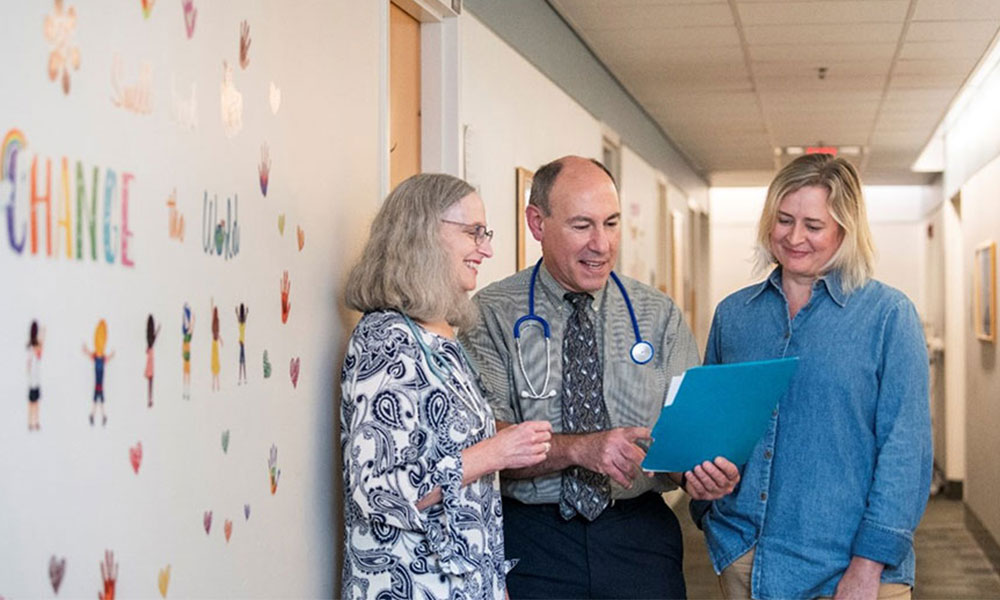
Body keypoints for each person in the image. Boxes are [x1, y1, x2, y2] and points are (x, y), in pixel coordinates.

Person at [461, 156, 740, 599]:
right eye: (581, 226)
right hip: (532, 540)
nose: (601, 244)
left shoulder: (657, 314)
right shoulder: (490, 314)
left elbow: (686, 433)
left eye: (610, 224)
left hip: (639, 537)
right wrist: (580, 448)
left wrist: (700, 475)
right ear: (537, 223)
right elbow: (483, 440)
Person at [692, 153, 932, 600]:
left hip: (851, 569)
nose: (795, 237)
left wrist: (868, 566)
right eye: (783, 220)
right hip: (749, 557)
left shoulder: (888, 316)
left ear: (845, 229)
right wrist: (706, 502)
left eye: (814, 226)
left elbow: (906, 449)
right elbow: (712, 431)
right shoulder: (734, 315)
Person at [340, 173, 554, 600]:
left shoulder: (441, 338)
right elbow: (376, 490)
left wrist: (493, 582)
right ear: (422, 234)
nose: (487, 249)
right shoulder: (387, 340)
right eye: (474, 233)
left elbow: (464, 493)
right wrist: (493, 452)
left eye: (485, 233)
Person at [26, 320, 45, 431]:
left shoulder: (30, 347)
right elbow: (41, 344)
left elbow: (28, 365)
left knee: (32, 405)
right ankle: (35, 423)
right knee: (35, 404)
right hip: (35, 381)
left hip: (31, 381)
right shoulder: (37, 348)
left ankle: (31, 423)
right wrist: (42, 332)